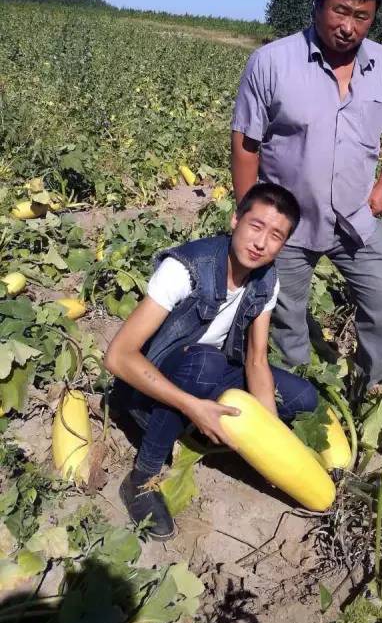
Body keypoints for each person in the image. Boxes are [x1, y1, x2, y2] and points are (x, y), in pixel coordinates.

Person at [231, 0, 382, 398]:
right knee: (285, 313)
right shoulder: (272, 61)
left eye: (362, 16)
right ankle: (295, 392)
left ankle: (374, 390)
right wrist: (250, 215)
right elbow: (246, 143)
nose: (349, 26)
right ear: (318, 4)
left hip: (356, 218)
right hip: (288, 222)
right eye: (340, 11)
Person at [105, 182, 317, 541]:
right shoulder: (185, 268)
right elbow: (118, 356)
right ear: (235, 220)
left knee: (302, 398)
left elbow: (256, 360)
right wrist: (193, 407)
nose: (261, 242)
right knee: (206, 363)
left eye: (276, 236)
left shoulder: (267, 280)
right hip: (149, 383)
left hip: (207, 372)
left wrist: (269, 438)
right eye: (256, 226)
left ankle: (203, 425)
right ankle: (143, 475)